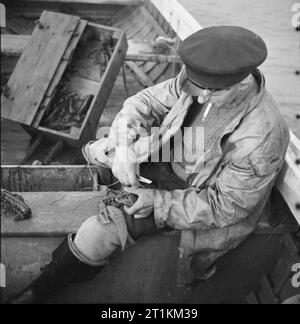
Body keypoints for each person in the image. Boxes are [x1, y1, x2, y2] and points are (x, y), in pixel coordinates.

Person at [11, 26, 289, 303]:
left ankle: (38, 291)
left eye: (213, 93)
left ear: (241, 81)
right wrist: (122, 149)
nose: (202, 97)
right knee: (97, 150)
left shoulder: (262, 135)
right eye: (198, 88)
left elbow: (226, 207)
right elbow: (143, 101)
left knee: (99, 232)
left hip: (193, 199)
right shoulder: (200, 81)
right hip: (168, 156)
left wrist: (156, 202)